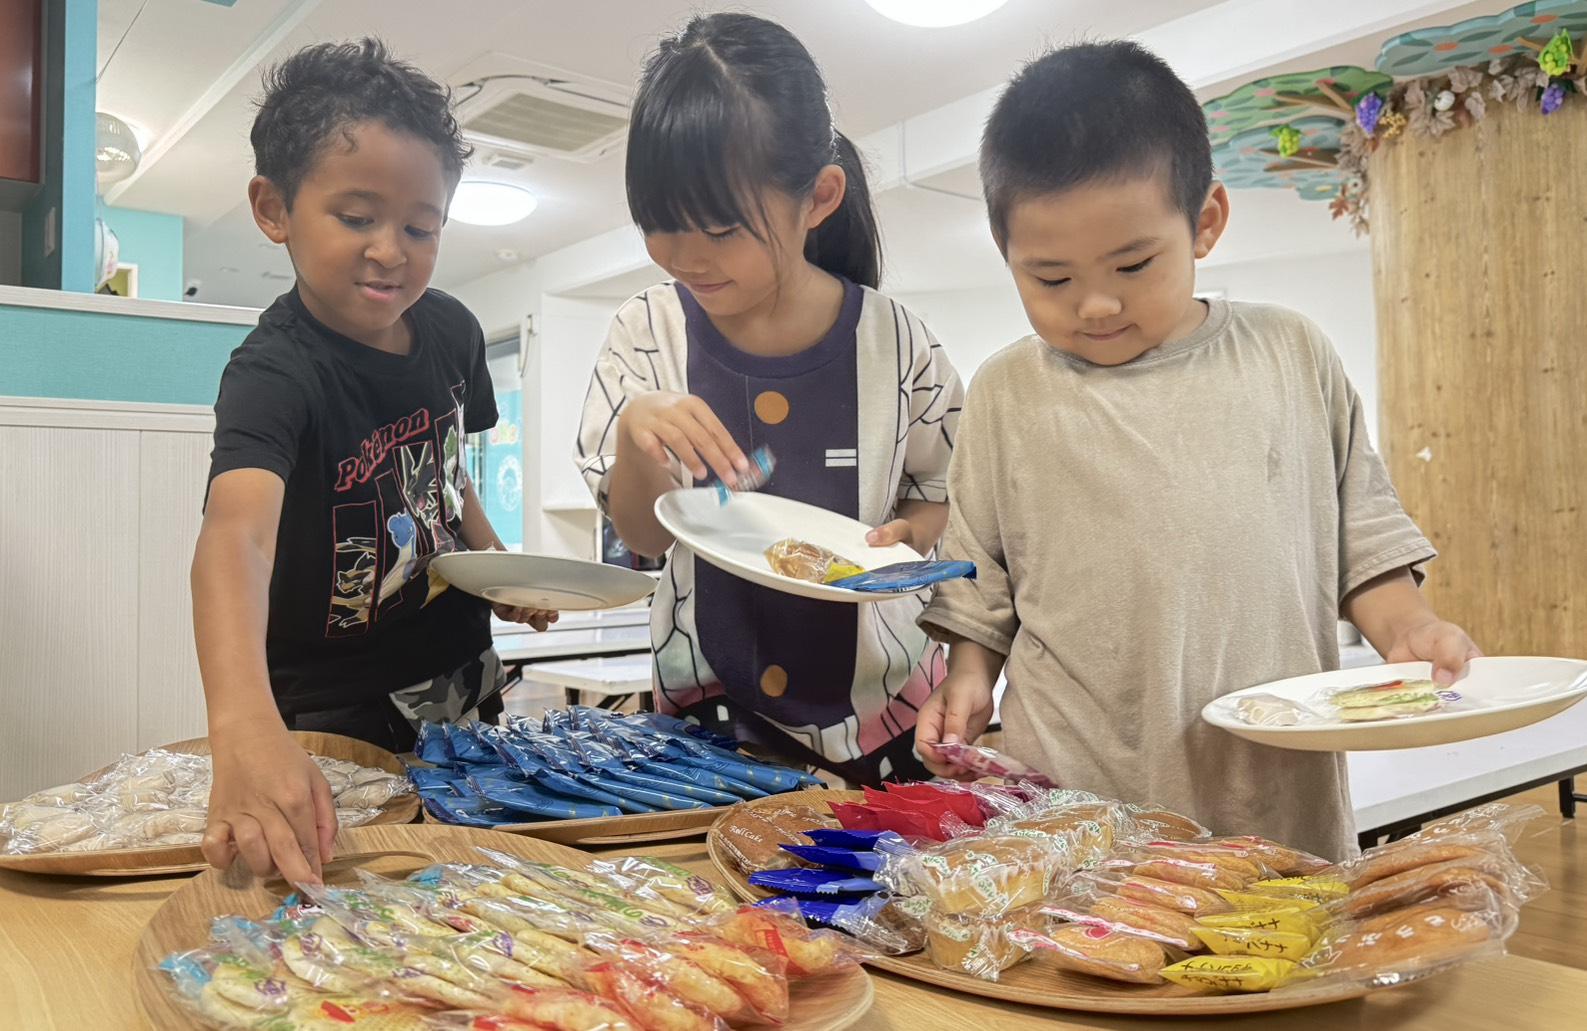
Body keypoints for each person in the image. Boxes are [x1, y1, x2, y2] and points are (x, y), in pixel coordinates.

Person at [914, 41, 1480, 859]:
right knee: (1085, 977)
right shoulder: (1007, 390)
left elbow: (1362, 545)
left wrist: (1410, 628)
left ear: (1204, 221)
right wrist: (968, 677)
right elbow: (981, 581)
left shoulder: (1290, 353)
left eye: (1133, 263)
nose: (1096, 303)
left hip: (1271, 790)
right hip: (1073, 803)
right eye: (1050, 278)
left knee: (1288, 971)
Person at [191, 39, 552, 883]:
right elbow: (236, 538)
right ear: (273, 208)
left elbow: (447, 469)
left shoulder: (454, 330)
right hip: (333, 701)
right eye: (357, 218)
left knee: (471, 880)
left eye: (420, 227)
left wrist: (495, 563)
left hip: (460, 666)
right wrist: (242, 726)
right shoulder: (275, 371)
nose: (392, 250)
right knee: (349, 897)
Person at [575, 13, 964, 786]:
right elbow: (638, 536)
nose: (686, 258)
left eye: (720, 230)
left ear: (818, 198)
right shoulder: (646, 330)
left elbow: (949, 496)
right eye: (660, 227)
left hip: (877, 721)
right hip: (702, 717)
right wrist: (635, 437)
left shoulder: (896, 341)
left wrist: (907, 534)